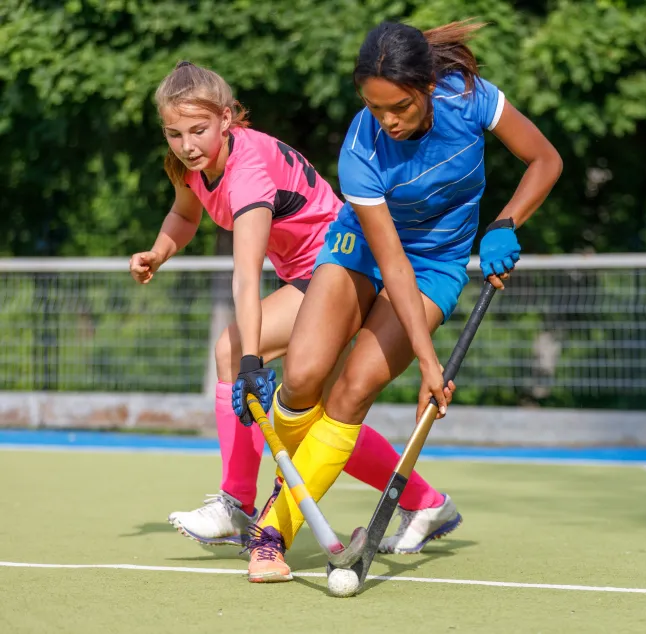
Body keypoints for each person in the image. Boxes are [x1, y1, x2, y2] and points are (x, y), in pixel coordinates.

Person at [245, 20, 562, 582]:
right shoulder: (362, 148)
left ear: (425, 87)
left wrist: (507, 222)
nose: (387, 121)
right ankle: (295, 495)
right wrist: (431, 365)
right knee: (302, 376)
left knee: (354, 388)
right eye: (374, 107)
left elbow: (545, 160)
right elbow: (390, 263)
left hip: (436, 264)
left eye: (399, 107)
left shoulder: (469, 98)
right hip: (364, 244)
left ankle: (273, 532)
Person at [130, 61, 461, 551]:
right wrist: (159, 250)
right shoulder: (190, 163)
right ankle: (427, 502)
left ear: (227, 119)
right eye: (175, 134)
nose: (188, 145)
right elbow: (184, 212)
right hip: (311, 272)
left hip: (342, 265)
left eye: (199, 130)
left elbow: (245, 278)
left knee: (231, 347)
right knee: (321, 422)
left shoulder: (247, 173)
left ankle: (236, 504)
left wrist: (248, 360)